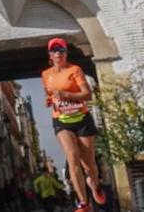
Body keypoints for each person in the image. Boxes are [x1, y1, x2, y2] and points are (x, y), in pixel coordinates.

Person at [41, 38, 105, 212]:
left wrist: (66, 95)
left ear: (66, 53)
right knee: (72, 158)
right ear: (50, 55)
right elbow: (49, 95)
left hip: (82, 118)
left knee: (89, 165)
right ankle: (84, 203)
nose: (58, 54)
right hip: (61, 120)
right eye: (54, 51)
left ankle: (94, 183)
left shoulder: (75, 70)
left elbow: (87, 94)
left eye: (61, 50)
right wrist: (50, 100)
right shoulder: (46, 75)